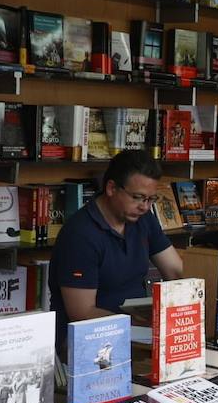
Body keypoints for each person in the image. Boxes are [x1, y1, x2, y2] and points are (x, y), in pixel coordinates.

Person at [49, 150, 185, 359]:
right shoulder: (80, 234)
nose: (144, 206)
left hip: (138, 334)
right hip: (89, 341)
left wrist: (179, 318)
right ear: (111, 188)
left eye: (151, 199)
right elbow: (82, 312)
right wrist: (135, 324)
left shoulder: (143, 218)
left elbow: (174, 270)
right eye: (138, 197)